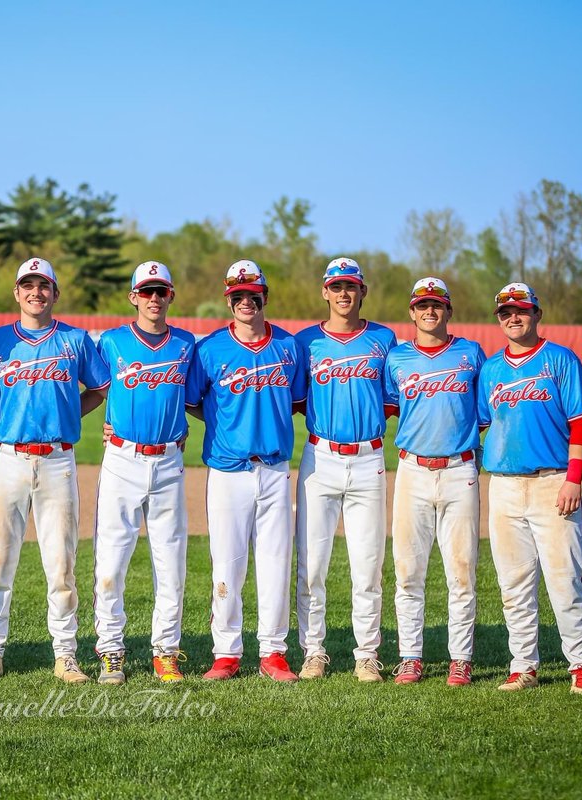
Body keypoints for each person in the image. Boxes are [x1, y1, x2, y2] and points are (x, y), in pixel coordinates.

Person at [0, 257, 110, 684]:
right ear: (16, 293)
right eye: (27, 285)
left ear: (55, 292)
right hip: (9, 458)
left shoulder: (75, 340)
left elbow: (101, 387)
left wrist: (71, 414)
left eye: (44, 286)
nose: (36, 292)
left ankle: (65, 653)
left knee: (61, 563)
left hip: (58, 460)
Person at [186, 260, 307, 682]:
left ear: (264, 298)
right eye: (237, 295)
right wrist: (225, 426)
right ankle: (226, 652)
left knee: (275, 562)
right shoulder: (210, 349)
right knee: (228, 563)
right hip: (227, 470)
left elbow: (295, 401)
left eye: (252, 294)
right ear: (229, 300)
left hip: (274, 469)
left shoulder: (289, 348)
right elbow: (193, 401)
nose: (245, 300)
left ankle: (274, 652)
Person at [478, 282, 582, 695]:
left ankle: (581, 664)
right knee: (514, 584)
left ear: (537, 314)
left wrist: (573, 479)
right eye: (506, 312)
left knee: (565, 581)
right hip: (505, 486)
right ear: (499, 319)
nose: (514, 317)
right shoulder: (491, 369)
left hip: (553, 484)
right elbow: (482, 423)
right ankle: (523, 665)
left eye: (522, 310)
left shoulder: (560, 360)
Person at [92, 261, 196, 684]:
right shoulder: (112, 343)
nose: (154, 298)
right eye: (146, 291)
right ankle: (111, 651)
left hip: (169, 460)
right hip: (122, 459)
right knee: (110, 562)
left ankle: (166, 651)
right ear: (133, 296)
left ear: (171, 296)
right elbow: (96, 389)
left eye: (161, 291)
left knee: (170, 563)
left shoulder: (186, 344)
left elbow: (199, 398)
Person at [294, 257, 397, 683]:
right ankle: (313, 650)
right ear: (325, 291)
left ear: (362, 291)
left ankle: (366, 654)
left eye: (350, 286)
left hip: (369, 457)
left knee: (367, 564)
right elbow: (296, 399)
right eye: (336, 286)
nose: (343, 293)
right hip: (320, 458)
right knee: (311, 564)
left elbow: (394, 397)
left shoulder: (383, 339)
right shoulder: (305, 343)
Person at [383, 278, 485, 686]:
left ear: (448, 311)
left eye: (437, 305)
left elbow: (485, 410)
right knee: (408, 571)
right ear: (412, 311)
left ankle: (460, 658)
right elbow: (391, 407)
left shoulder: (471, 354)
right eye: (422, 305)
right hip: (412, 470)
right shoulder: (397, 359)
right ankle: (410, 656)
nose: (430, 312)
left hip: (460, 471)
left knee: (461, 571)